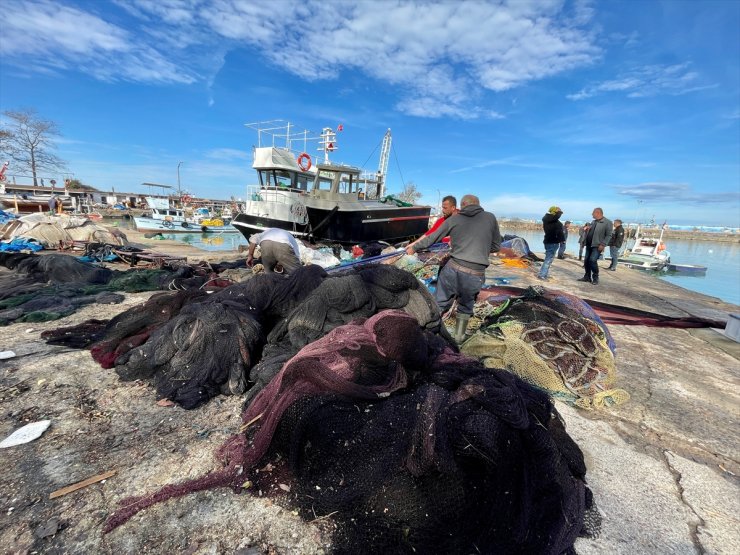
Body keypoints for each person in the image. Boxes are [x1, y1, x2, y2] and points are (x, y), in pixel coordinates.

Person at [406, 194, 501, 343]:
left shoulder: (454, 219)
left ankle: (427, 335)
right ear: (478, 204)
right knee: (465, 307)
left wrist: (414, 247)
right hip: (475, 273)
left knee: (439, 302)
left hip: (453, 268)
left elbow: (432, 238)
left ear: (461, 206)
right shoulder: (490, 218)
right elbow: (496, 246)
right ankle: (458, 340)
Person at [578, 208, 612, 285]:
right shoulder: (593, 222)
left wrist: (603, 244)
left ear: (598, 213)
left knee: (592, 260)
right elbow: (589, 233)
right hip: (589, 244)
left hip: (597, 245)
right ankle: (587, 276)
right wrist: (584, 241)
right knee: (586, 261)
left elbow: (609, 235)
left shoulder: (607, 222)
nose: (592, 214)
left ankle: (595, 277)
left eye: (593, 213)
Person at [537, 206, 565, 281]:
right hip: (551, 242)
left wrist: (562, 240)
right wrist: (559, 212)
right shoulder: (548, 218)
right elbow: (557, 216)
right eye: (557, 211)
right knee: (548, 259)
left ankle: (544, 273)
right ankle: (542, 275)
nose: (559, 213)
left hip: (555, 242)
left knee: (550, 259)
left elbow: (559, 232)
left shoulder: (554, 220)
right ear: (554, 212)